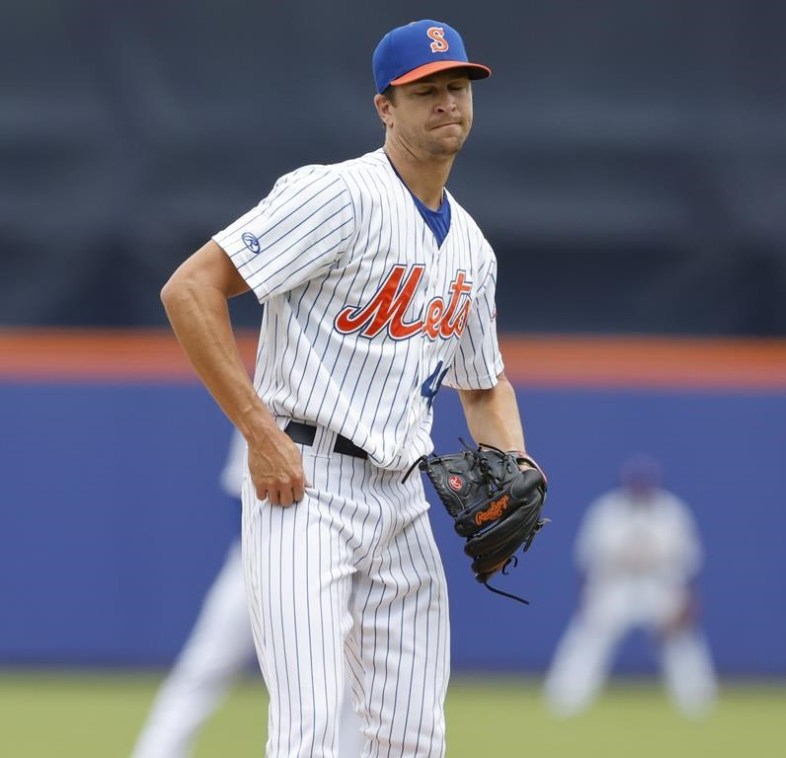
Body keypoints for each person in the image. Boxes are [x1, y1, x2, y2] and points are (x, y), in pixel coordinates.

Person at [159, 18, 541, 758]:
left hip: (402, 501)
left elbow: (484, 385)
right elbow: (190, 289)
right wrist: (259, 433)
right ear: (384, 107)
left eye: (456, 87)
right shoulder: (336, 195)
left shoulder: (471, 247)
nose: (447, 103)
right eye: (424, 90)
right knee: (308, 732)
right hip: (305, 488)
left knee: (412, 740)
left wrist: (519, 468)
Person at [131, 429, 363, 758]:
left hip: (342, 565)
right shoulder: (265, 405)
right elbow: (236, 497)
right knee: (204, 669)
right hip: (259, 562)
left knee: (351, 685)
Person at [543, 456, 717, 719]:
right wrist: (585, 597)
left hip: (660, 585)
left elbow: (689, 562)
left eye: (644, 484)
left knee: (680, 640)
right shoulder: (606, 510)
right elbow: (586, 559)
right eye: (635, 484)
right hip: (614, 585)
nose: (640, 489)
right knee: (589, 637)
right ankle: (566, 699)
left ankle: (698, 701)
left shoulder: (671, 511)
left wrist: (689, 600)